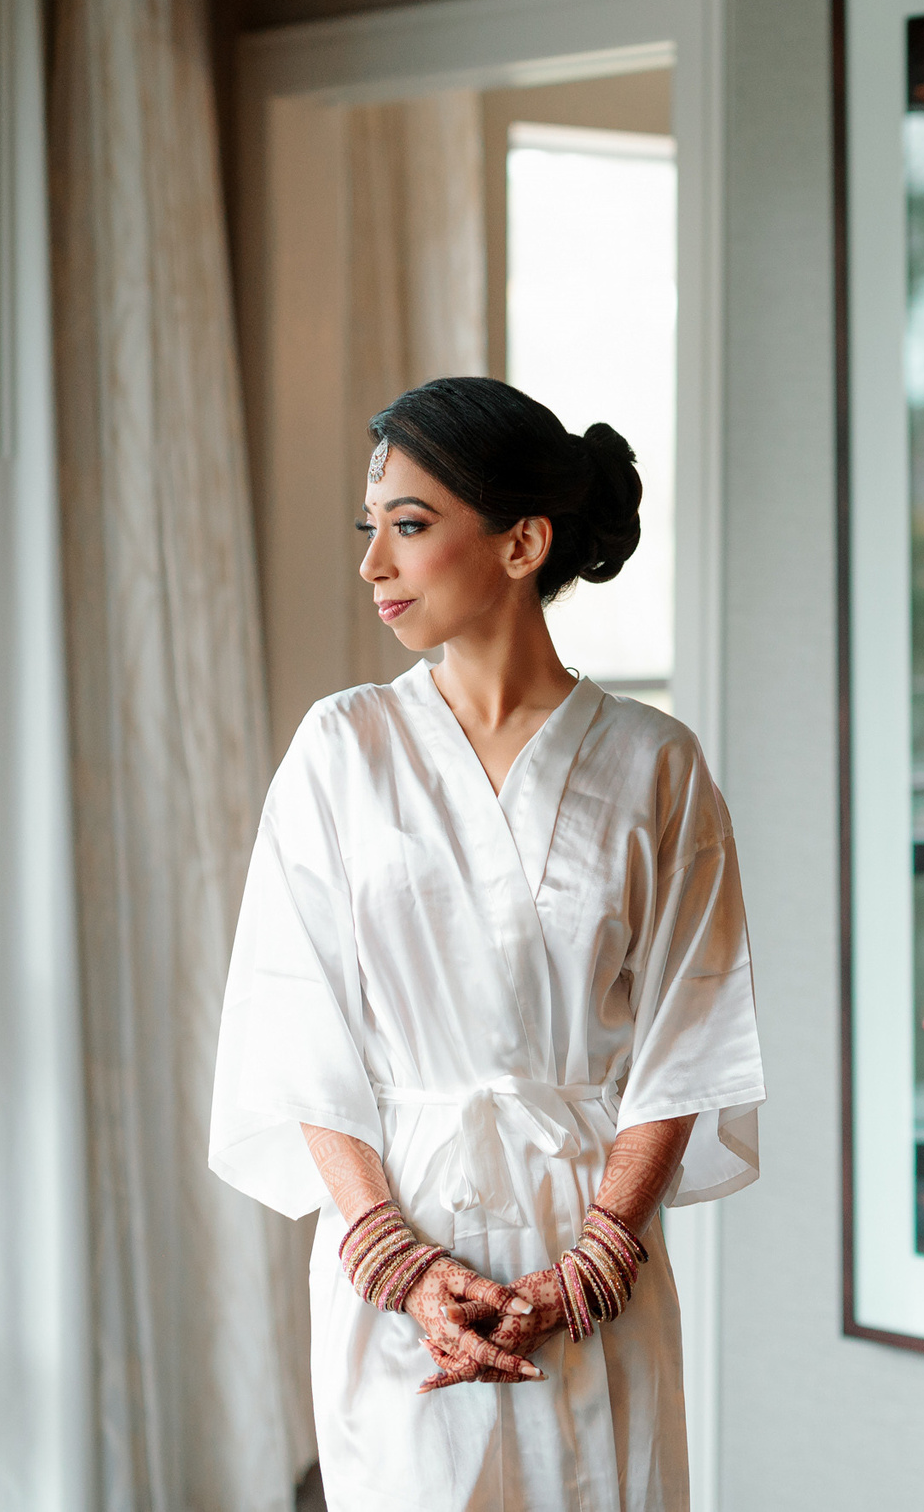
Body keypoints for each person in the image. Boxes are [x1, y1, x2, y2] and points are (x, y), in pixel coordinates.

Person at [209, 377, 765, 1512]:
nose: (373, 566)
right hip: (395, 1236)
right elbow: (293, 1015)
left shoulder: (656, 765)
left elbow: (690, 1034)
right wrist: (402, 1266)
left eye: (408, 527)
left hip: (589, 1251)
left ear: (522, 542)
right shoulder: (341, 748)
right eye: (371, 530)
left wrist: (586, 1267)